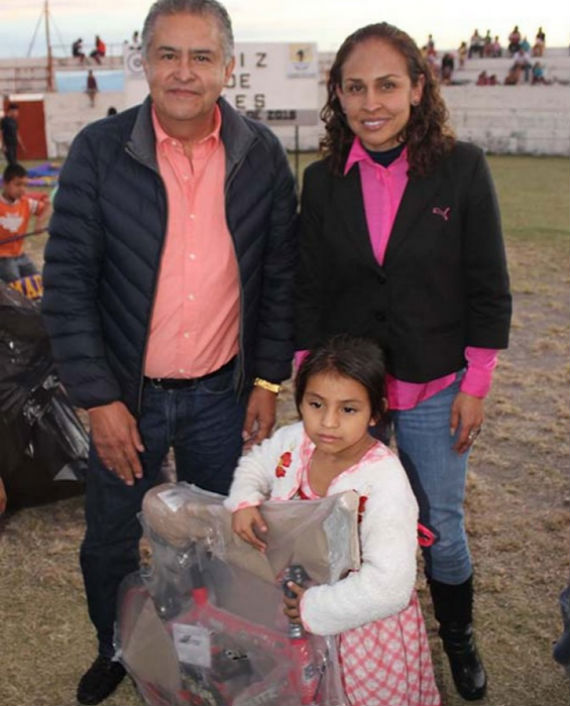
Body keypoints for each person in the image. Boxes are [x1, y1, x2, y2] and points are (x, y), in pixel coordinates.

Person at [41, 0, 297, 703]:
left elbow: (279, 280)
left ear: (228, 67)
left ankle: (206, 648)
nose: (184, 72)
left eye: (202, 56)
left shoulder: (261, 155)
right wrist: (98, 398)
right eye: (168, 54)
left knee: (220, 536)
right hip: (127, 397)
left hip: (222, 394)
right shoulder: (100, 149)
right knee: (110, 539)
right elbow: (65, 284)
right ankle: (115, 648)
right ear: (145, 61)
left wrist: (269, 382)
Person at [295, 21, 511, 701]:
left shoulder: (462, 168)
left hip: (436, 389)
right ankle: (352, 646)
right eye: (354, 87)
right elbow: (309, 290)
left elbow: (488, 285)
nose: (372, 102)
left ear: (419, 88)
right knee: (346, 526)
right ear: (338, 96)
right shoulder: (322, 181)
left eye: (388, 84)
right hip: (349, 399)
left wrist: (475, 383)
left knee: (438, 529)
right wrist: (309, 391)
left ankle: (459, 638)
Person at [226, 335, 441, 706]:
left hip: (361, 630)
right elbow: (258, 462)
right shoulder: (296, 440)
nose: (327, 422)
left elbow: (389, 587)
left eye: (348, 409)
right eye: (315, 404)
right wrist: (244, 500)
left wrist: (313, 608)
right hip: (294, 609)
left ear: (376, 412)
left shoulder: (384, 481)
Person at [0, 163, 48, 283]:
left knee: (39, 281)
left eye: (25, 185)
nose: (22, 189)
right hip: (2, 258)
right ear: (5, 184)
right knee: (16, 285)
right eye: (17, 184)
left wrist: (39, 224)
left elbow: (48, 206)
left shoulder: (26, 203)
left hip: (20, 255)